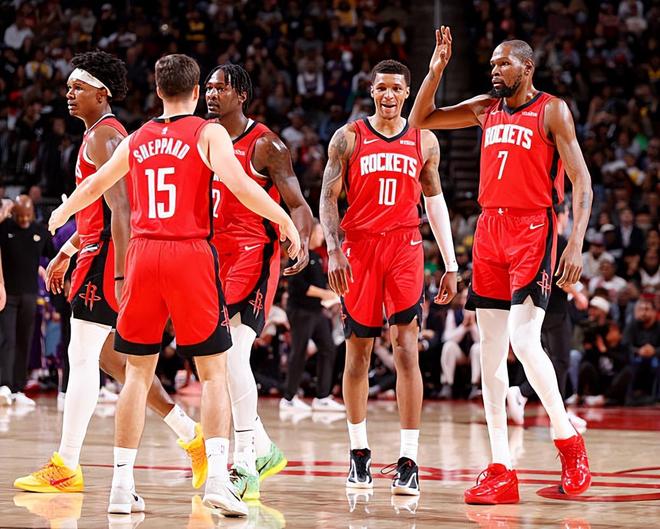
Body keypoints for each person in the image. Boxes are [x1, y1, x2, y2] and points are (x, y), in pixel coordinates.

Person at [48, 54, 301, 517]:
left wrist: (61, 213)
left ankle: (121, 487)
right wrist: (283, 220)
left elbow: (96, 185)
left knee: (136, 376)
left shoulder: (138, 136)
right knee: (214, 373)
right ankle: (219, 482)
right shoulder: (208, 133)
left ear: (158, 89)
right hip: (190, 254)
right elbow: (242, 186)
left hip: (143, 256)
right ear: (196, 90)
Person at [410, 28, 592, 503]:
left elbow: (582, 181)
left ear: (526, 68)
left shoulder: (552, 110)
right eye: (491, 63)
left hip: (534, 228)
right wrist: (435, 70)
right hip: (490, 230)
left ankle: (567, 438)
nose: (494, 70)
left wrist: (575, 243)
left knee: (524, 340)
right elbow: (421, 119)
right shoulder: (484, 108)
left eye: (503, 63)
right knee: (490, 354)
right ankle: (501, 468)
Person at [13, 51, 199, 494]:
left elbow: (123, 208)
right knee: (111, 359)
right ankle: (190, 434)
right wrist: (68, 250)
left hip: (108, 259)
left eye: (78, 87)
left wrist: (120, 274)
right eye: (68, 87)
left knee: (81, 356)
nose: (69, 94)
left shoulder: (105, 136)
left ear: (102, 93)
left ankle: (67, 464)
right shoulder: (99, 134)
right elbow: (97, 211)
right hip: (97, 251)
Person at [320, 59, 458, 496]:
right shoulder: (348, 137)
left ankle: (409, 460)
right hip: (359, 250)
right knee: (358, 354)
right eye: (381, 87)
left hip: (404, 248)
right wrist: (334, 249)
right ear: (372, 91)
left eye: (396, 88)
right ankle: (358, 452)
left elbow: (435, 202)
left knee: (406, 350)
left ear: (407, 92)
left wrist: (451, 264)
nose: (388, 95)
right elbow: (328, 197)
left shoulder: (424, 140)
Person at [204, 63, 313, 500]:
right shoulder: (203, 139)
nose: (211, 95)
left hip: (254, 256)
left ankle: (245, 463)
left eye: (221, 88)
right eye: (208, 88)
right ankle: (265, 448)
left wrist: (299, 241)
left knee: (233, 355)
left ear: (241, 94)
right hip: (212, 258)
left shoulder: (266, 145)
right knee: (215, 361)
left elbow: (298, 204)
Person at [506, 202, 588, 432]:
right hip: (556, 308)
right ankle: (524, 393)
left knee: (548, 359)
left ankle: (557, 412)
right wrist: (579, 295)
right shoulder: (560, 241)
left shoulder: (538, 238)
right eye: (567, 213)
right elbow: (563, 277)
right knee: (559, 361)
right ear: (561, 215)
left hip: (538, 306)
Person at [282, 220, 343, 411]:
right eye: (319, 232)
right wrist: (325, 294)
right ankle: (288, 398)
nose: (322, 236)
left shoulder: (317, 257)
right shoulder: (298, 255)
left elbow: (319, 284)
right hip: (300, 311)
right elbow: (298, 286)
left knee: (328, 348)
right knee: (299, 351)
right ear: (309, 234)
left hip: (316, 311)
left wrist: (331, 295)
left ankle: (322, 397)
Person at [0, 195, 55, 406]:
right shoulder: (5, 228)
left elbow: (53, 255)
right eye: (20, 216)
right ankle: (4, 385)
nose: (24, 220)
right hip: (8, 295)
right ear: (14, 213)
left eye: (27, 216)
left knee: (24, 340)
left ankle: (17, 388)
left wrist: (47, 270)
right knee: (7, 340)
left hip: (30, 295)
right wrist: (3, 215)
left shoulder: (40, 231)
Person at [438, 288, 481, 400]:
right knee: (448, 346)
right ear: (461, 300)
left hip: (473, 353)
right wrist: (463, 327)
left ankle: (475, 386)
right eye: (465, 298)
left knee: (478, 348)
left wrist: (473, 326)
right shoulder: (453, 313)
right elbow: (446, 337)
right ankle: (447, 384)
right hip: (460, 353)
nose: (468, 300)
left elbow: (482, 340)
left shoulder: (480, 314)